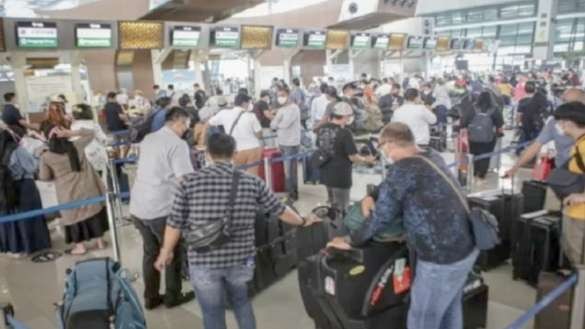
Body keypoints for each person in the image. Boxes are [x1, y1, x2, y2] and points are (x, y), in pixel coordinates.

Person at [154, 132, 319, 329]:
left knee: (212, 312)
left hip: (203, 259)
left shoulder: (189, 183)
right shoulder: (252, 182)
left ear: (207, 154)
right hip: (241, 258)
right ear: (235, 153)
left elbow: (175, 222)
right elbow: (280, 210)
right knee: (241, 303)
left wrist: (166, 251)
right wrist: (302, 221)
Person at [328, 122, 478, 329]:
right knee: (449, 309)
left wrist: (351, 240)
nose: (385, 153)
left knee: (422, 319)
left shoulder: (404, 169)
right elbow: (391, 185)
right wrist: (371, 195)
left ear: (389, 145)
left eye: (383, 148)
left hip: (440, 257)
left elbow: (381, 216)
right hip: (467, 246)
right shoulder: (430, 156)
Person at [129, 107, 195, 310]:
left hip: (138, 207)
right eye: (186, 124)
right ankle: (173, 296)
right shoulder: (177, 144)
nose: (186, 129)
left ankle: (150, 297)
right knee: (172, 252)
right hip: (161, 208)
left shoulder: (148, 138)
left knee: (150, 252)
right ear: (178, 122)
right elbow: (185, 179)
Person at [39, 125, 109, 255]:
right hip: (88, 188)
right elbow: (91, 133)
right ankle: (100, 242)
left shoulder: (46, 156)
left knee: (74, 218)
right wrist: (71, 133)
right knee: (93, 213)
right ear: (64, 134)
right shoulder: (77, 145)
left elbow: (44, 177)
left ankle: (80, 247)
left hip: (67, 192)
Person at [505, 88, 585, 177]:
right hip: (564, 172)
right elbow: (535, 146)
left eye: (569, 103)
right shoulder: (555, 122)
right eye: (563, 101)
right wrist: (515, 167)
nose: (564, 105)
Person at [317, 102, 375, 218]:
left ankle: (332, 228)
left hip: (325, 172)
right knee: (342, 207)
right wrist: (366, 160)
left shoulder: (321, 129)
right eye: (348, 117)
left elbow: (321, 146)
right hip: (340, 175)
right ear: (344, 117)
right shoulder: (345, 132)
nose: (349, 119)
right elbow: (353, 156)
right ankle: (341, 231)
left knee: (332, 203)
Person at [0, 128, 51, 256]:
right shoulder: (16, 150)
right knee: (30, 216)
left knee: (14, 217)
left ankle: (16, 246)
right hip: (24, 186)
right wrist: (38, 155)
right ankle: (34, 245)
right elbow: (32, 167)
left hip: (5, 189)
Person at [553, 102, 585, 265]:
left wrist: (582, 197)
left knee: (579, 262)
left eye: (559, 122)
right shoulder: (580, 143)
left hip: (581, 216)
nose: (558, 126)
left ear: (570, 123)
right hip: (574, 211)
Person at [208, 94, 263, 176]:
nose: (250, 105)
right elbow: (259, 135)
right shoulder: (251, 116)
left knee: (235, 176)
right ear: (244, 103)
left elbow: (209, 123)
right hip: (253, 148)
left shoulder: (223, 113)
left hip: (234, 149)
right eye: (249, 103)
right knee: (252, 175)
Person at [267, 86, 301, 200]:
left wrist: (277, 124)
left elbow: (284, 124)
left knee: (290, 171)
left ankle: (293, 194)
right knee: (285, 171)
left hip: (291, 143)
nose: (280, 98)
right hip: (281, 142)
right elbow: (272, 124)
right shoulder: (281, 109)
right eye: (278, 96)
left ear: (289, 95)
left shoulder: (294, 108)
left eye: (282, 95)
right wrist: (277, 124)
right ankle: (287, 192)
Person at [461, 91, 504, 181]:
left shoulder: (473, 107)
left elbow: (464, 122)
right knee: (486, 155)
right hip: (488, 138)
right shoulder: (494, 109)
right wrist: (499, 133)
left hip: (473, 137)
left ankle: (475, 171)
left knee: (475, 154)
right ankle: (482, 173)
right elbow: (499, 123)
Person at [70, 104, 108, 174]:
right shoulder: (94, 124)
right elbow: (103, 140)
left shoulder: (72, 127)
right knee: (98, 180)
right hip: (96, 156)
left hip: (81, 158)